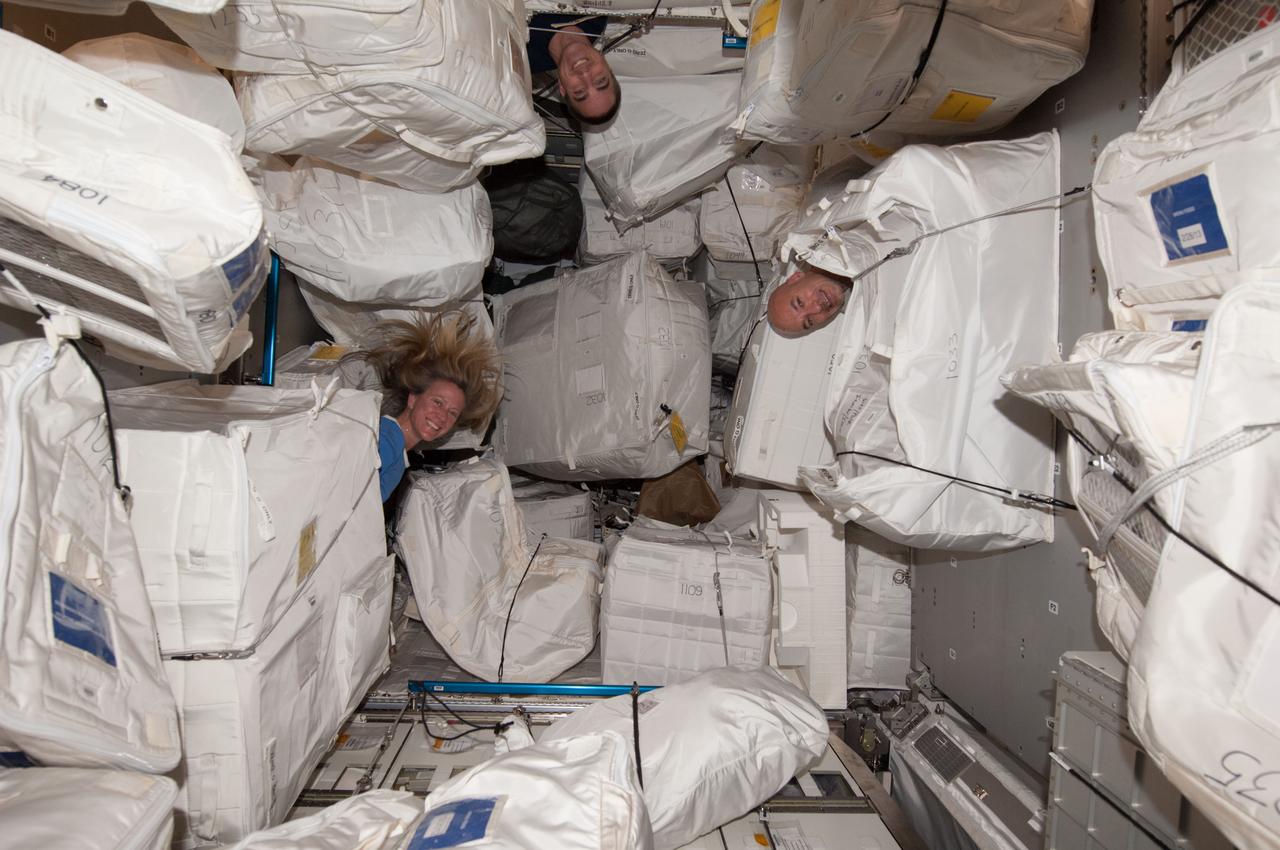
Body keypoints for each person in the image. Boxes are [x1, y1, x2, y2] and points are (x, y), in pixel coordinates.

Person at [347, 312, 503, 502]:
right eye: (438, 402)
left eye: (453, 413)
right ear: (413, 398)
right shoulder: (384, 441)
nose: (442, 416)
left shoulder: (395, 450)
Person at [527, 13, 620, 125]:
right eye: (600, 80)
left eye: (579, 91)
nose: (585, 74)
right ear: (608, 67)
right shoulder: (601, 12)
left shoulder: (522, 52)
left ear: (562, 88)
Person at [765, 265, 853, 337]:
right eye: (809, 321)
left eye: (800, 302)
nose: (817, 309)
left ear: (796, 278)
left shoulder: (826, 247)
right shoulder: (861, 310)